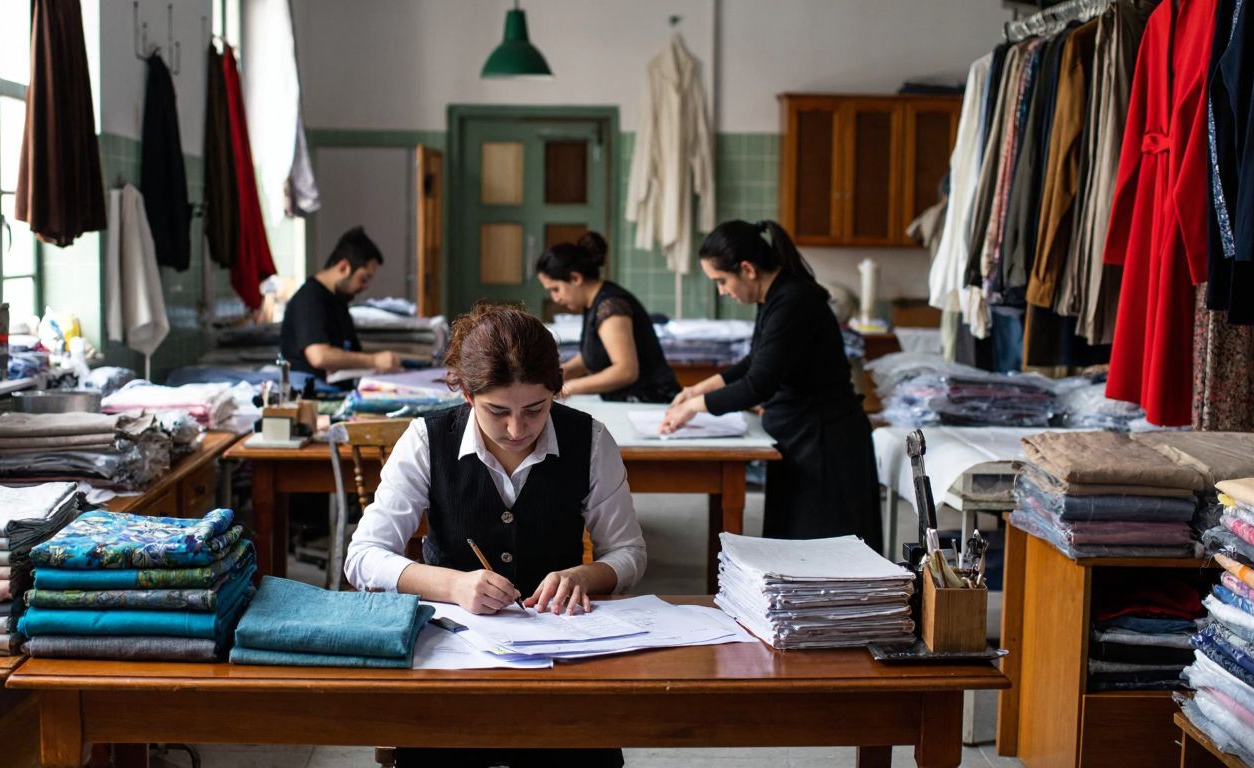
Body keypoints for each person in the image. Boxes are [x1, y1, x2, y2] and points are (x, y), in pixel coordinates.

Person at [345, 302, 645, 768]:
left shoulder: (591, 439)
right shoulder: (427, 439)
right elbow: (363, 557)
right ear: (466, 394)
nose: (516, 429)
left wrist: (587, 576)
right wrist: (452, 584)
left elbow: (629, 551)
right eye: (496, 411)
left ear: (556, 391)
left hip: (561, 659)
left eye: (536, 409)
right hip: (450, 657)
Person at [662, 220, 882, 551]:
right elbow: (756, 360)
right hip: (800, 437)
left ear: (747, 269)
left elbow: (758, 385)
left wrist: (693, 408)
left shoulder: (794, 300)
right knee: (792, 556)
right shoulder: (776, 296)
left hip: (825, 445)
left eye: (721, 281)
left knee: (825, 562)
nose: (721, 290)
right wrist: (698, 390)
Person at [535, 232, 681, 402]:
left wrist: (569, 388)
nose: (555, 298)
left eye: (555, 289)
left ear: (575, 278)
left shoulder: (611, 306)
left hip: (653, 401)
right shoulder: (595, 302)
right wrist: (557, 375)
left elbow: (626, 371)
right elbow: (596, 353)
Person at [279, 226, 400, 379]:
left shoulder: (338, 301)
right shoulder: (310, 299)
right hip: (311, 392)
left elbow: (351, 353)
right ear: (344, 267)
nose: (365, 286)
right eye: (364, 278)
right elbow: (319, 356)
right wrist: (374, 360)